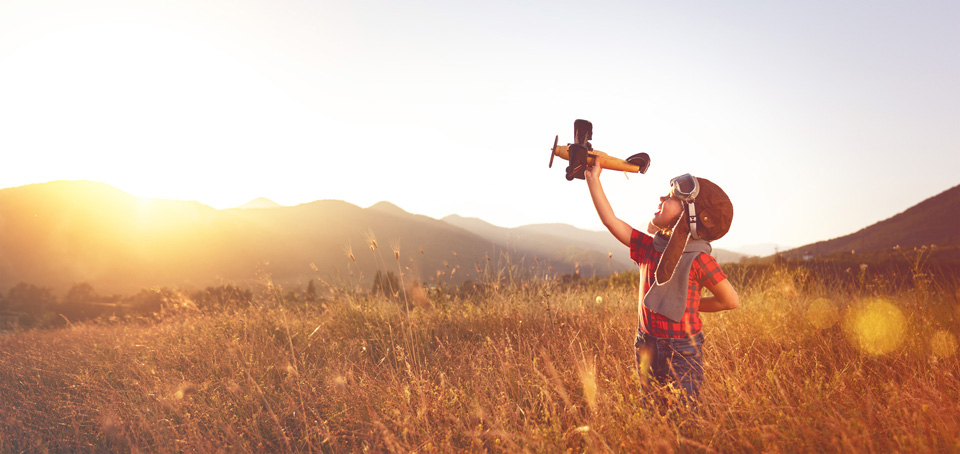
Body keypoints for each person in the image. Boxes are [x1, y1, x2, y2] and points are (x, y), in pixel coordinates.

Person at [584, 158, 739, 406]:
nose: (661, 199)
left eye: (669, 198)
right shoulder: (649, 247)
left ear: (690, 215)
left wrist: (694, 304)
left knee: (681, 415)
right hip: (646, 344)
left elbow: (730, 300)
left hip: (683, 351)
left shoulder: (699, 260)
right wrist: (593, 180)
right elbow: (611, 221)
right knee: (651, 410)